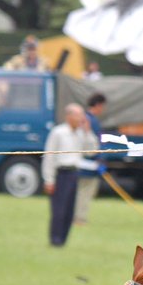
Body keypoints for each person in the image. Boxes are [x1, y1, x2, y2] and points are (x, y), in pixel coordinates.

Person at [41, 104, 97, 247]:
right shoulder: (58, 132)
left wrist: (87, 131)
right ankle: (55, 240)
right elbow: (49, 156)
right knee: (59, 210)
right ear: (69, 116)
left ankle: (63, 240)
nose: (81, 119)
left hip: (74, 173)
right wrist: (49, 179)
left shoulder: (80, 133)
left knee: (70, 210)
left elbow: (91, 151)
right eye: (78, 115)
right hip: (61, 173)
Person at [75, 92, 107, 226]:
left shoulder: (86, 118)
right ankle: (79, 219)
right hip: (88, 163)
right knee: (84, 192)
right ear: (98, 105)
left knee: (83, 192)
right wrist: (98, 160)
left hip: (86, 162)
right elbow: (90, 144)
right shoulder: (90, 120)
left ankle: (79, 218)